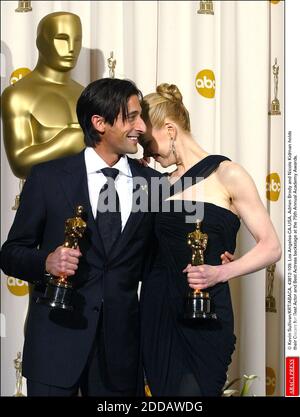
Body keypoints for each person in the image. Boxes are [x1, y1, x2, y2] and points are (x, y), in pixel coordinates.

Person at [0, 78, 160, 396]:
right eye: (131, 117)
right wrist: (46, 261)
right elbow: (11, 253)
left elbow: (159, 262)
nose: (141, 126)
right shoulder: (48, 177)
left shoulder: (153, 184)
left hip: (121, 355)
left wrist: (217, 262)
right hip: (54, 345)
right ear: (99, 123)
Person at [139, 83, 282, 396]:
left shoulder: (227, 174)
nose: (146, 152)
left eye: (148, 142)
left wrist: (221, 272)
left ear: (170, 129)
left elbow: (271, 246)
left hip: (205, 315)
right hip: (157, 315)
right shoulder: (157, 184)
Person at [1, 11, 85, 180]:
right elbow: (19, 165)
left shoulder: (86, 94)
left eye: (77, 40)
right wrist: (70, 141)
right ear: (41, 42)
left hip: (88, 199)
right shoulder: (17, 95)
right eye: (61, 39)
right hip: (42, 201)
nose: (71, 48)